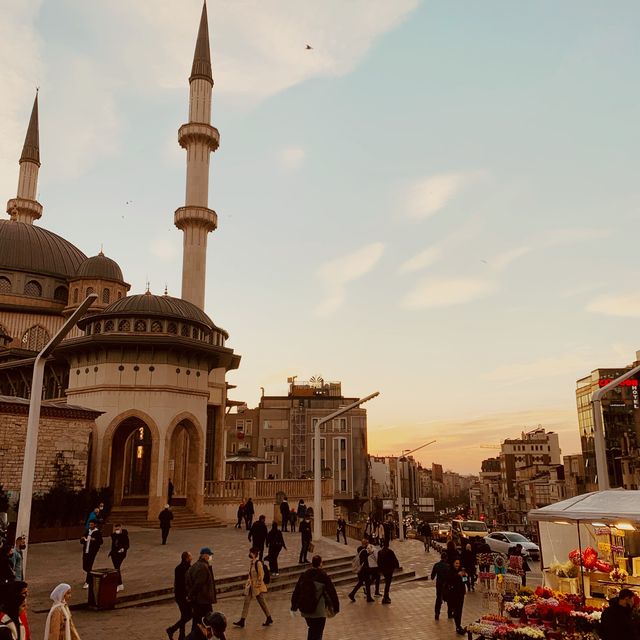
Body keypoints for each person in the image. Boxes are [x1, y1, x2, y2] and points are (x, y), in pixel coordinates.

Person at [291, 555, 339, 640]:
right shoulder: (323, 575)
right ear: (320, 563)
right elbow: (332, 591)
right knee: (318, 632)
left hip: (306, 609)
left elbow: (297, 591)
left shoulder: (305, 574)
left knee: (312, 629)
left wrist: (293, 606)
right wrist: (336, 607)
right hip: (319, 610)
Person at [232, 547, 273, 628]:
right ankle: (242, 620)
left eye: (250, 552)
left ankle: (269, 617)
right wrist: (248, 583)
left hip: (257, 587)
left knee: (262, 603)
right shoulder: (252, 563)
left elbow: (261, 575)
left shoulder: (258, 563)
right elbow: (250, 575)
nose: (249, 554)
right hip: (251, 586)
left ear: (254, 554)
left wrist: (258, 584)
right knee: (246, 601)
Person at [186, 548, 217, 632]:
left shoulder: (196, 565)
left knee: (197, 620)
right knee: (209, 620)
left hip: (199, 599)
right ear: (205, 555)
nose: (210, 557)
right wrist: (190, 595)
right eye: (209, 555)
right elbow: (199, 584)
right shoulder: (203, 567)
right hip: (203, 599)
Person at [167, 551, 192, 640]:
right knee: (188, 615)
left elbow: (177, 583)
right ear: (186, 558)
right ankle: (172, 629)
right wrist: (188, 596)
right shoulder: (187, 568)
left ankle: (181, 635)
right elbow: (184, 584)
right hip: (183, 596)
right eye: (190, 556)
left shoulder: (178, 568)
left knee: (184, 616)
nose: (191, 558)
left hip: (178, 596)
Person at [347, 539, 373, 603]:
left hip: (360, 570)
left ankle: (353, 594)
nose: (368, 545)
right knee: (366, 582)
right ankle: (353, 594)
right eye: (367, 543)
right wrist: (370, 553)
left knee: (362, 583)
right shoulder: (364, 551)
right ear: (365, 544)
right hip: (364, 570)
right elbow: (364, 559)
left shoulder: (360, 549)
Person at [446, 558, 468, 635]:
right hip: (453, 594)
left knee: (459, 610)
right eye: (456, 563)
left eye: (458, 563)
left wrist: (465, 576)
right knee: (456, 610)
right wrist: (458, 575)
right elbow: (449, 580)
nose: (457, 565)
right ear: (453, 564)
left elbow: (465, 581)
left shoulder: (461, 571)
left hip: (461, 593)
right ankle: (458, 626)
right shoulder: (450, 571)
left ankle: (458, 626)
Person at [80, 521, 102, 589]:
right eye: (89, 525)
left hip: (92, 552)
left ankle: (88, 582)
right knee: (85, 566)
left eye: (91, 525)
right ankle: (91, 575)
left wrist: (94, 540)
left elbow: (100, 542)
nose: (90, 526)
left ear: (95, 525)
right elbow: (82, 541)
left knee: (89, 567)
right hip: (86, 551)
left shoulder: (97, 532)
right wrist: (83, 539)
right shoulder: (87, 531)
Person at [109, 523, 130, 592]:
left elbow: (127, 544)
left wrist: (123, 549)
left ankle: (119, 584)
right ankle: (120, 584)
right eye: (115, 529)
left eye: (118, 529)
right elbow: (113, 544)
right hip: (114, 554)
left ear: (121, 528)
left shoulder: (124, 535)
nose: (117, 530)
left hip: (121, 554)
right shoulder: (113, 535)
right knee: (116, 568)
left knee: (117, 568)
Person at [431, 551, 451, 620]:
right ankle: (449, 613)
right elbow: (449, 577)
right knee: (449, 599)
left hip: (438, 585)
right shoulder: (447, 566)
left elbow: (432, 577)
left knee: (438, 599)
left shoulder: (436, 565)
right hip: (445, 585)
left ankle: (437, 613)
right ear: (446, 558)